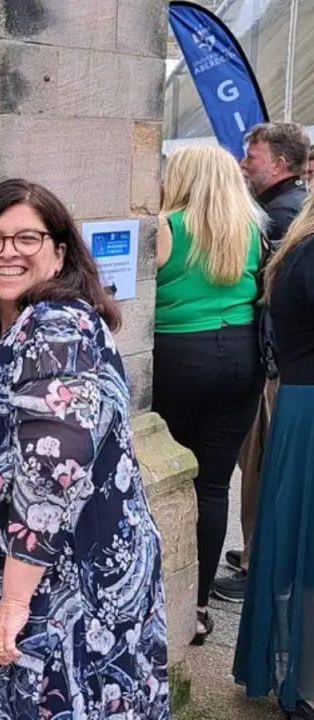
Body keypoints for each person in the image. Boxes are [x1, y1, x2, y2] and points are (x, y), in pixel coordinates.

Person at [0, 179, 168, 718]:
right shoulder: (5, 333)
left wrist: (13, 603)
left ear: (60, 252)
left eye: (27, 239)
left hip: (55, 601)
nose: (7, 252)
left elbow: (51, 474)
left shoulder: (56, 327)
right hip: (34, 593)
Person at [150, 145, 264, 635]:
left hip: (178, 355)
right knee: (213, 486)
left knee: (161, 474)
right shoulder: (252, 228)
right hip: (242, 356)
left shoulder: (167, 227)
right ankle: (196, 609)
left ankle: (160, 599)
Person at [234, 192, 314, 719]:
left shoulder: (299, 248)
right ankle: (302, 683)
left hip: (301, 407)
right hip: (308, 411)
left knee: (296, 544)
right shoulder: (307, 253)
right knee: (300, 547)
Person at [226, 125, 311, 598]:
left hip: (281, 372)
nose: (244, 163)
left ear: (279, 163)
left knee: (265, 467)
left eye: (252, 156)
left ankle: (258, 562)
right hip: (286, 368)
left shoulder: (282, 219)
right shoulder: (289, 211)